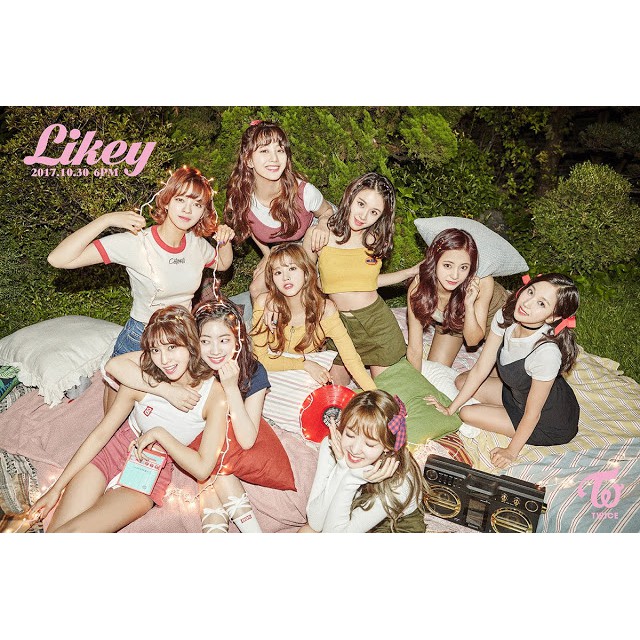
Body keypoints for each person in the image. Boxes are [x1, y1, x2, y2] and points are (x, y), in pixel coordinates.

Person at [47, 166, 234, 410]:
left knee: (176, 409)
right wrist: (106, 220)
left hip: (183, 336)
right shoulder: (136, 243)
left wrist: (225, 241)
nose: (188, 210)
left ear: (203, 212)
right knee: (115, 413)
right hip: (142, 337)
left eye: (197, 204)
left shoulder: (196, 244)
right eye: (180, 200)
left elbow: (222, 263)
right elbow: (58, 259)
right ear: (166, 200)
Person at [28, 306, 229, 533]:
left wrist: (159, 434)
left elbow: (202, 469)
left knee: (72, 533)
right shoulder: (145, 377)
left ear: (191, 345)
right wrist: (56, 489)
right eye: (155, 350)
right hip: (113, 451)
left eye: (172, 347)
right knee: (54, 533)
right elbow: (101, 433)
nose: (164, 360)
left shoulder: (214, 395)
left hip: (151, 472)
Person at [105, 298, 274, 533]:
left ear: (238, 341)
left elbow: (247, 439)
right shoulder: (186, 361)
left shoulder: (252, 371)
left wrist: (231, 388)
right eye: (205, 341)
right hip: (195, 440)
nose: (215, 350)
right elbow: (115, 365)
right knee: (211, 473)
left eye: (224, 340)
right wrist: (165, 390)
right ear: (193, 341)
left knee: (218, 470)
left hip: (229, 439)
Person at [426, 273, 580, 469]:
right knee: (461, 382)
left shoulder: (546, 353)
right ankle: (497, 409)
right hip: (516, 396)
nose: (527, 303)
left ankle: (501, 415)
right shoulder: (507, 316)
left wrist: (510, 451)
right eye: (530, 292)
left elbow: (533, 413)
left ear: (553, 317)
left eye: (541, 303)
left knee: (467, 413)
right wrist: (450, 408)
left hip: (547, 420)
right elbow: (480, 369)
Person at [303, 172, 419, 385]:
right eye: (361, 204)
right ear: (350, 197)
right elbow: (305, 283)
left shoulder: (374, 241)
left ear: (381, 216)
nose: (363, 216)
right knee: (335, 393)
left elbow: (368, 283)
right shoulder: (320, 235)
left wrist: (409, 272)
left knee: (383, 392)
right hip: (340, 326)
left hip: (376, 324)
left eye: (374, 212)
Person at [223, 120, 333, 298]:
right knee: (256, 289)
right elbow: (252, 227)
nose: (274, 158)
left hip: (317, 237)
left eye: (280, 150)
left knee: (307, 285)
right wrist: (267, 254)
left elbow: (328, 211)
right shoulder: (241, 199)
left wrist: (323, 224)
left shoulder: (304, 192)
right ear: (249, 160)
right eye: (264, 151)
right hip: (283, 246)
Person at [251, 243, 376, 391]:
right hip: (270, 378)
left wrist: (374, 393)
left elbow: (351, 358)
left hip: (305, 380)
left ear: (306, 272)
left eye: (292, 268)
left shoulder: (325, 310)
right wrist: (305, 364)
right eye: (278, 272)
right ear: (272, 279)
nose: (286, 277)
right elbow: (260, 359)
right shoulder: (265, 304)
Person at [300, 390, 428, 533]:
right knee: (307, 532)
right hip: (348, 510)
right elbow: (315, 522)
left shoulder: (400, 483)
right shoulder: (334, 444)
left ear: (387, 446)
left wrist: (351, 480)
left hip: (393, 526)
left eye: (370, 444)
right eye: (350, 435)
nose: (355, 449)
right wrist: (342, 468)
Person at [407, 228, 508, 369]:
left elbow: (472, 341)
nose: (455, 276)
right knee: (434, 370)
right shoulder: (419, 287)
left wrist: (469, 305)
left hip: (498, 320)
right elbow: (414, 349)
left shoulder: (482, 282)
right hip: (453, 321)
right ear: (434, 260)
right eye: (447, 265)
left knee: (501, 375)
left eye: (463, 268)